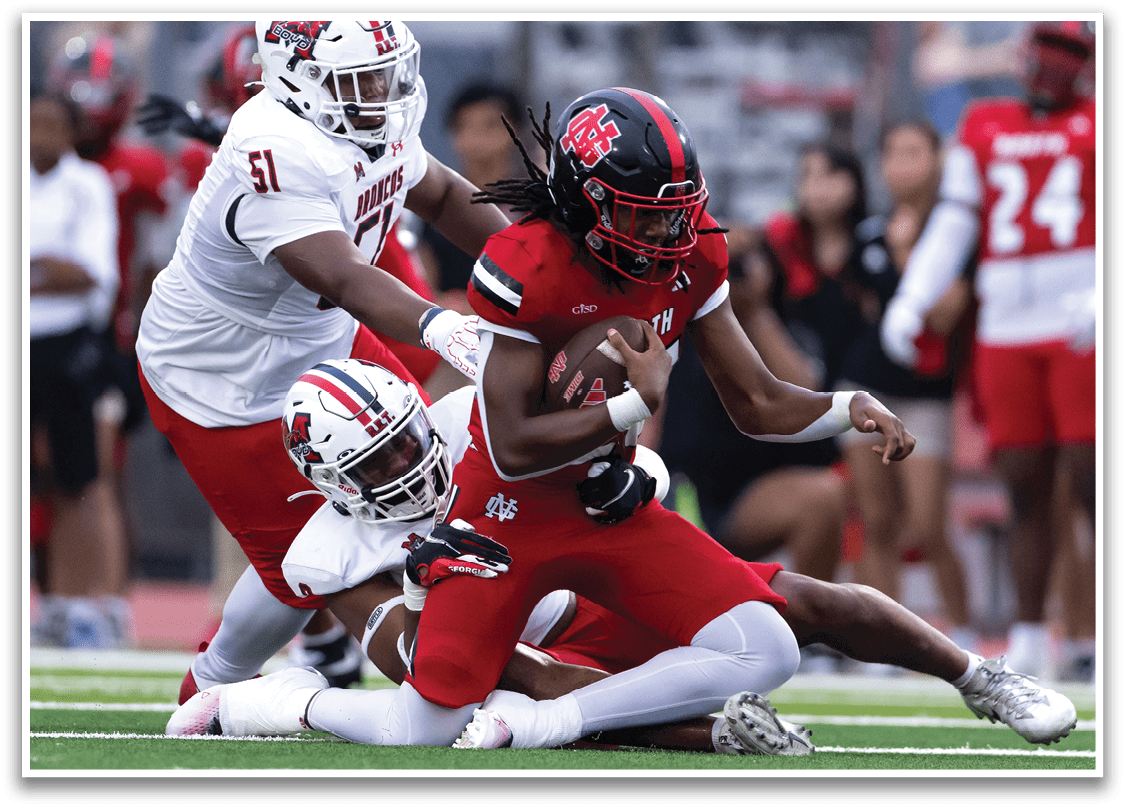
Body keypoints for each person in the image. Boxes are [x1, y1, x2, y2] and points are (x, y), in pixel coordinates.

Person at [169, 88, 1076, 753]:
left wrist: (846, 408)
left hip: (604, 500)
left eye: (677, 213)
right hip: (502, 514)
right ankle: (278, 703)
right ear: (587, 201)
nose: (668, 235)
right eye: (646, 216)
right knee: (425, 724)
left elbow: (758, 402)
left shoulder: (692, 252)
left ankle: (552, 726)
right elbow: (512, 445)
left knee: (765, 644)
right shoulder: (527, 263)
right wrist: (636, 405)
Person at [170, 353, 1078, 752]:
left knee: (803, 601)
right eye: (378, 462)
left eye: (407, 440)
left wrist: (632, 468)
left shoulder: (469, 417)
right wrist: (418, 589)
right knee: (533, 691)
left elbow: (601, 456)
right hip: (522, 641)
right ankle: (716, 739)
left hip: (594, 581)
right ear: (331, 481)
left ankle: (978, 677)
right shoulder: (331, 549)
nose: (407, 464)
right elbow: (411, 661)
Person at [134, 20, 509, 703]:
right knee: (315, 562)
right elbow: (341, 276)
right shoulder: (272, 146)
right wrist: (439, 325)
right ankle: (211, 686)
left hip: (324, 338)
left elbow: (444, 195)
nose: (386, 92)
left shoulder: (369, 119)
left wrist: (530, 270)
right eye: (364, 79)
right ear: (298, 78)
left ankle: (495, 629)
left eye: (390, 72)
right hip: (225, 382)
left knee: (430, 482)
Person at [882, 21, 1097, 678]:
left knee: (1093, 480)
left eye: (1070, 51)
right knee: (1023, 483)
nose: (1053, 65)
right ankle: (1029, 635)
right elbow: (955, 219)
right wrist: (912, 296)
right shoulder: (984, 123)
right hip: (1005, 323)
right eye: (1047, 49)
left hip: (1078, 316)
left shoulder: (1096, 120)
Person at [41, 31, 176, 646]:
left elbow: (155, 260)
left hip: (112, 339)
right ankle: (62, 599)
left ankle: (108, 601)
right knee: (63, 473)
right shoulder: (60, 175)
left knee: (97, 474)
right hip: (63, 336)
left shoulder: (136, 171)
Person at [837, 119, 978, 657]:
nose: (901, 164)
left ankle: (964, 635)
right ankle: (883, 642)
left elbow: (942, 316)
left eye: (914, 152)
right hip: (865, 389)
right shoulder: (868, 234)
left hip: (925, 394)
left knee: (927, 524)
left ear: (939, 160)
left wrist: (907, 254)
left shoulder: (958, 233)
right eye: (892, 152)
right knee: (875, 521)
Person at [29, 91, 126, 648]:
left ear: (72, 133)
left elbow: (92, 273)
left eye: (51, 124)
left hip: (69, 344)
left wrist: (44, 271)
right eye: (32, 122)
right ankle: (47, 604)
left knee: (79, 477)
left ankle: (90, 604)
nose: (40, 134)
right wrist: (46, 268)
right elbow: (57, 270)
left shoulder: (87, 184)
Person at [415, 82, 527, 314]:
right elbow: (422, 288)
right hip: (454, 328)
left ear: (515, 131)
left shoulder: (537, 207)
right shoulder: (436, 206)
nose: (477, 138)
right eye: (466, 126)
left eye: (490, 126)